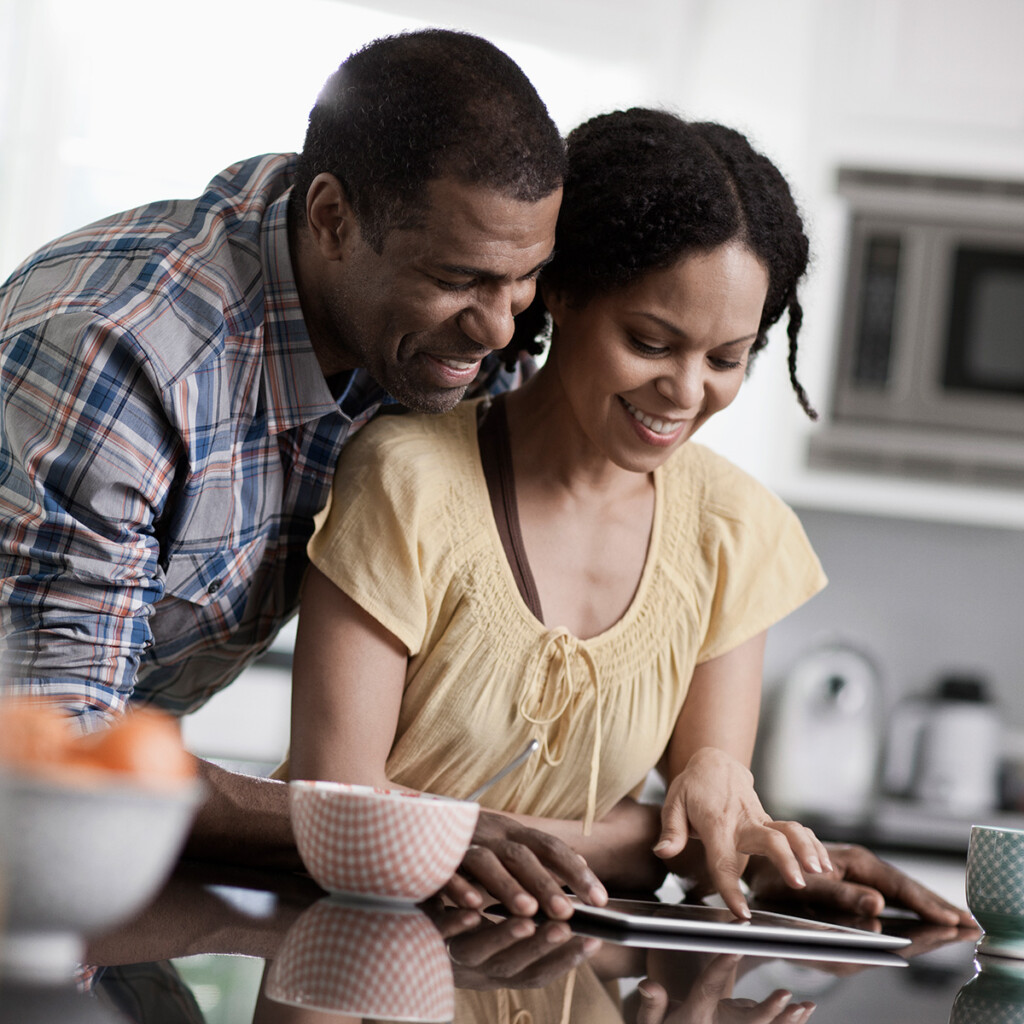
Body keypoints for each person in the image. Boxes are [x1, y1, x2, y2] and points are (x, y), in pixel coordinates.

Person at [286, 108, 974, 927]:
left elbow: (707, 841)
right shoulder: (408, 480)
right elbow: (335, 806)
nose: (685, 391)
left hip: (559, 971)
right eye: (651, 342)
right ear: (564, 291)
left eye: (726, 359)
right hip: (347, 943)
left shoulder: (733, 530)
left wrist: (763, 852)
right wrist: (641, 840)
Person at [0, 28, 602, 916]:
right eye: (458, 278)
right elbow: (56, 754)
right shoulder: (126, 356)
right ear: (330, 219)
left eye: (525, 280)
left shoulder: (434, 341)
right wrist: (394, 827)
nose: (501, 330)